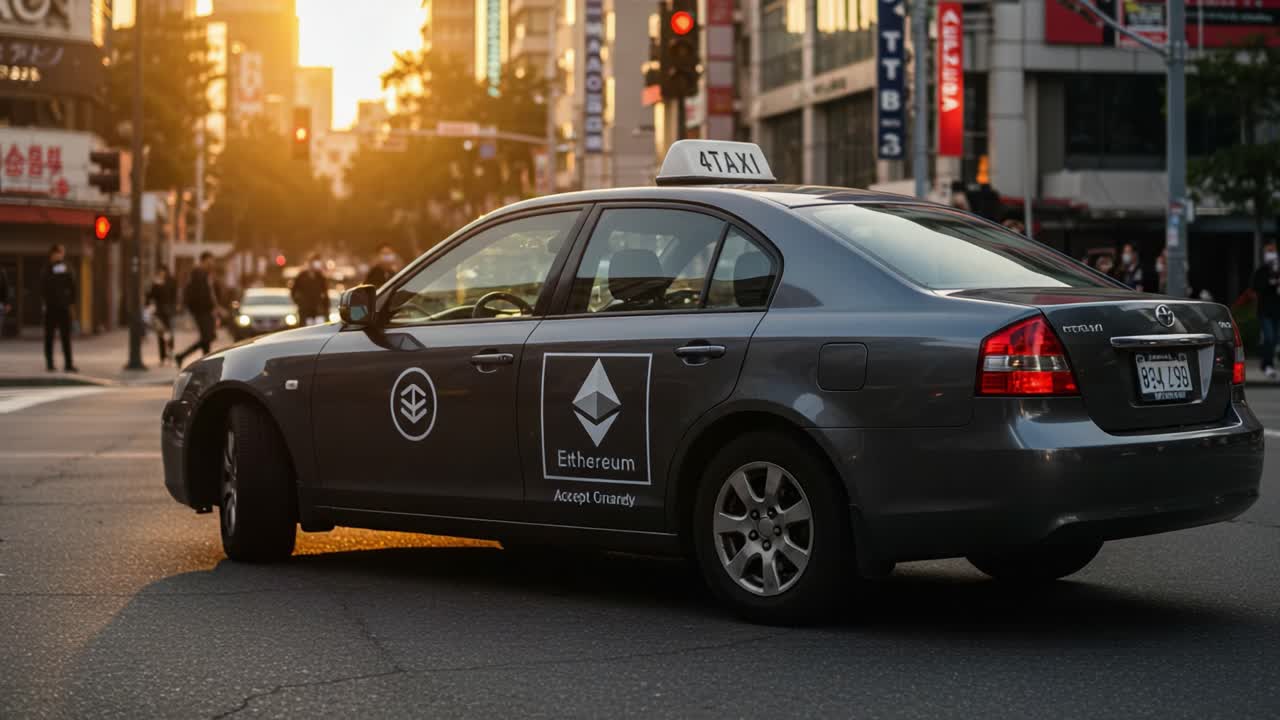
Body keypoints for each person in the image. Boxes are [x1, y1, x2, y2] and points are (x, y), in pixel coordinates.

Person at [176, 252, 219, 367]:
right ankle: (182, 356)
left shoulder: (205, 274)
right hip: (202, 311)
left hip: (205, 310)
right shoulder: (198, 273)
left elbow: (210, 293)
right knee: (208, 336)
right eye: (211, 260)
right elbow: (198, 294)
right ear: (204, 260)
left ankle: (206, 362)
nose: (212, 263)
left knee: (208, 337)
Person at [40, 243, 77, 372]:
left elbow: (72, 285)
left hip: (64, 307)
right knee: (49, 336)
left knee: (65, 336)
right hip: (51, 307)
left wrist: (71, 302)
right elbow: (43, 287)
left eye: (62, 252)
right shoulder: (47, 269)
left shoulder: (66, 267)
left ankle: (69, 363)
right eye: (58, 252)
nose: (60, 255)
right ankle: (50, 363)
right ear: (53, 254)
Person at [1251, 243, 1280, 379]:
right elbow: (1256, 288)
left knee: (1275, 339)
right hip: (1265, 311)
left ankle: (1267, 362)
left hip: (1276, 310)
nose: (1271, 254)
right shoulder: (1262, 271)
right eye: (1269, 251)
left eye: (1273, 251)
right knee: (1268, 337)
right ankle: (1267, 365)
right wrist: (1269, 282)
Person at [145, 266, 178, 365]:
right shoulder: (156, 283)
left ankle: (170, 353)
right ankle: (162, 357)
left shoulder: (171, 282)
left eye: (163, 272)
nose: (161, 273)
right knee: (161, 334)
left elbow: (174, 296)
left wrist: (174, 307)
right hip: (159, 312)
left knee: (170, 334)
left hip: (168, 312)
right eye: (160, 272)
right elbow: (150, 296)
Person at [292, 254, 330, 325]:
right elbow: (293, 291)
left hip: (318, 310)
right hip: (305, 311)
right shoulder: (301, 276)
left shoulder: (320, 277)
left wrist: (326, 308)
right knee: (306, 329)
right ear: (310, 263)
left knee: (319, 329)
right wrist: (299, 302)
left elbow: (325, 294)